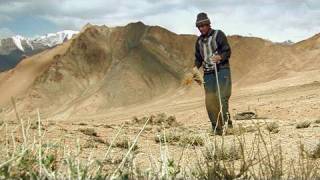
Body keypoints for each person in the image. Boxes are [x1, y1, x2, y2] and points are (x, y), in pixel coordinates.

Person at [193, 12, 232, 135]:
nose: (201, 28)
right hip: (208, 73)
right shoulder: (198, 41)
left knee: (221, 97)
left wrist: (220, 57)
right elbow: (199, 58)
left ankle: (226, 124)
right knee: (210, 101)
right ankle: (216, 128)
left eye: (203, 25)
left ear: (208, 24)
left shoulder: (218, 34)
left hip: (221, 69)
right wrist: (195, 68)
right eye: (199, 26)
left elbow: (227, 50)